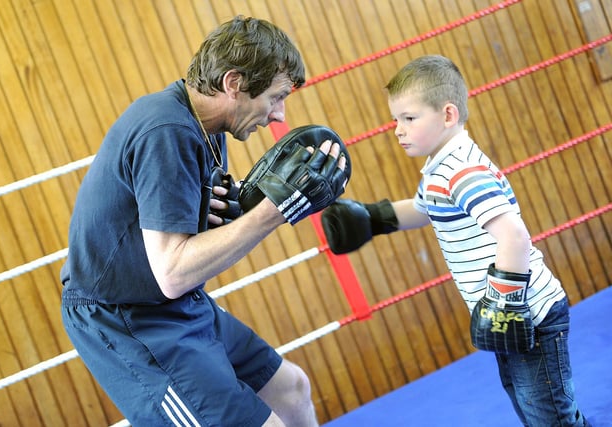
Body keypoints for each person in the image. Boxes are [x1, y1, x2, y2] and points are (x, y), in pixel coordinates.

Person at [61, 16, 347, 426]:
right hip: (128, 319)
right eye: (275, 97)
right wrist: (272, 211)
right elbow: (173, 272)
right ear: (234, 83)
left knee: (292, 389)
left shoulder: (205, 127)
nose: (279, 115)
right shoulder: (166, 130)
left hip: (177, 304)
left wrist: (238, 209)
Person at [321, 55, 589, 426]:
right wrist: (373, 219)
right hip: (510, 315)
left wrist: (504, 303)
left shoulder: (462, 170)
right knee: (535, 409)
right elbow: (424, 208)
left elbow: (513, 234)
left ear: (447, 115)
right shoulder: (440, 167)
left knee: (550, 417)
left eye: (409, 119)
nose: (398, 129)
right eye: (396, 119)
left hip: (530, 314)